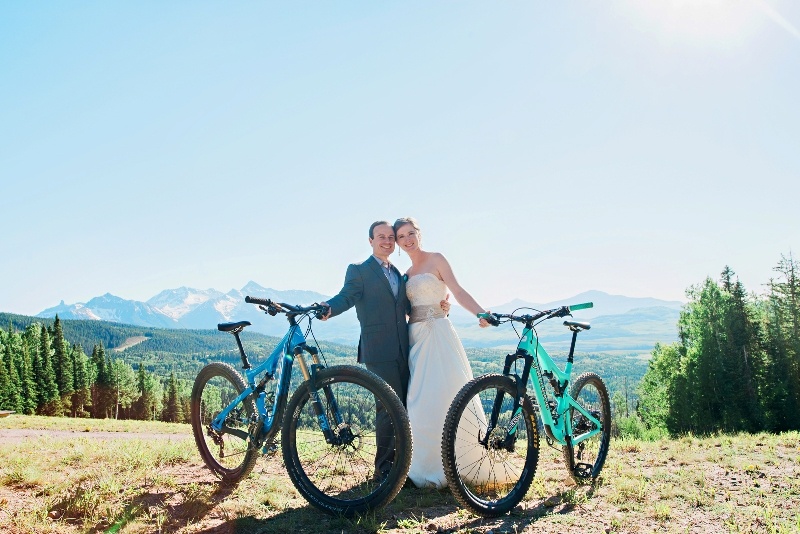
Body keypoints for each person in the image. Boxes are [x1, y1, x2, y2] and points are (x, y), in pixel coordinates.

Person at [321, 220, 448, 481]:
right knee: (388, 408)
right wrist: (328, 309)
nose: (387, 241)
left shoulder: (398, 273)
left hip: (407, 346)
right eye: (381, 237)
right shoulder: (359, 270)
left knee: (406, 406)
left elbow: (407, 308)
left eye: (391, 237)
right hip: (378, 349)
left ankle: (406, 467)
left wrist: (439, 307)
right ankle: (385, 470)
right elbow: (347, 297)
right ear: (370, 241)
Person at [393, 216, 492, 488]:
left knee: (450, 393)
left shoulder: (437, 259)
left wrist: (480, 313)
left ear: (418, 234)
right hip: (416, 338)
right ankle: (422, 466)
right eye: (401, 237)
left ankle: (461, 463)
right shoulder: (404, 276)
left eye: (410, 233)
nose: (407, 239)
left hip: (439, 333)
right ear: (398, 243)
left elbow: (457, 291)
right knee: (418, 400)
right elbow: (403, 309)